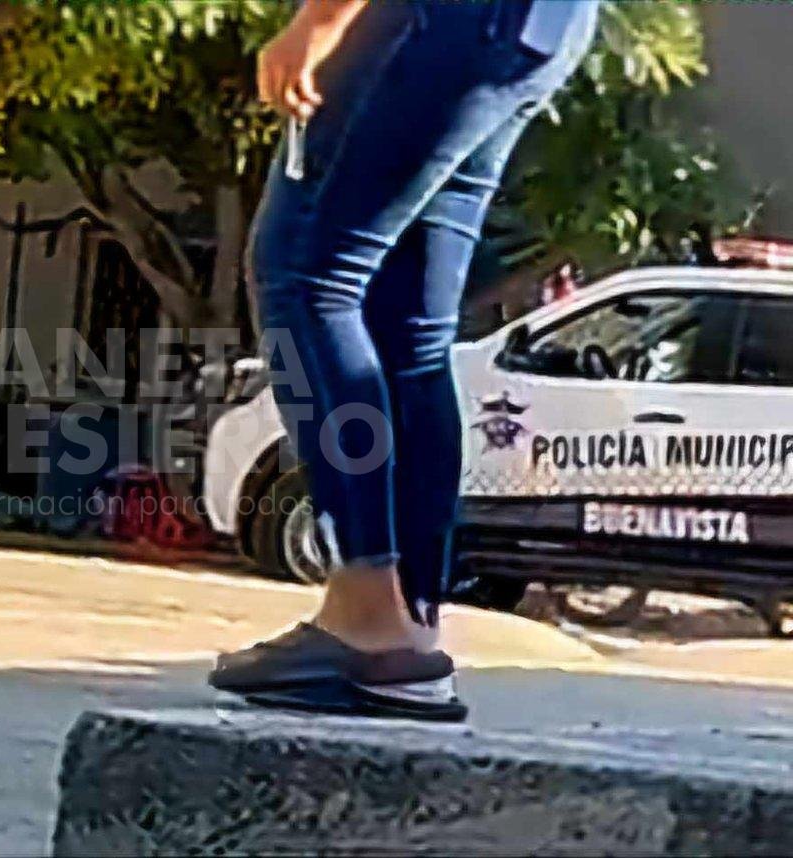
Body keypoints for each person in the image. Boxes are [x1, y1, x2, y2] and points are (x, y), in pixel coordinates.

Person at [209, 0, 599, 720]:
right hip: (536, 26)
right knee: (408, 330)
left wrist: (321, 20)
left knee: (305, 276)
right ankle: (408, 631)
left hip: (436, 20)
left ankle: (365, 612)